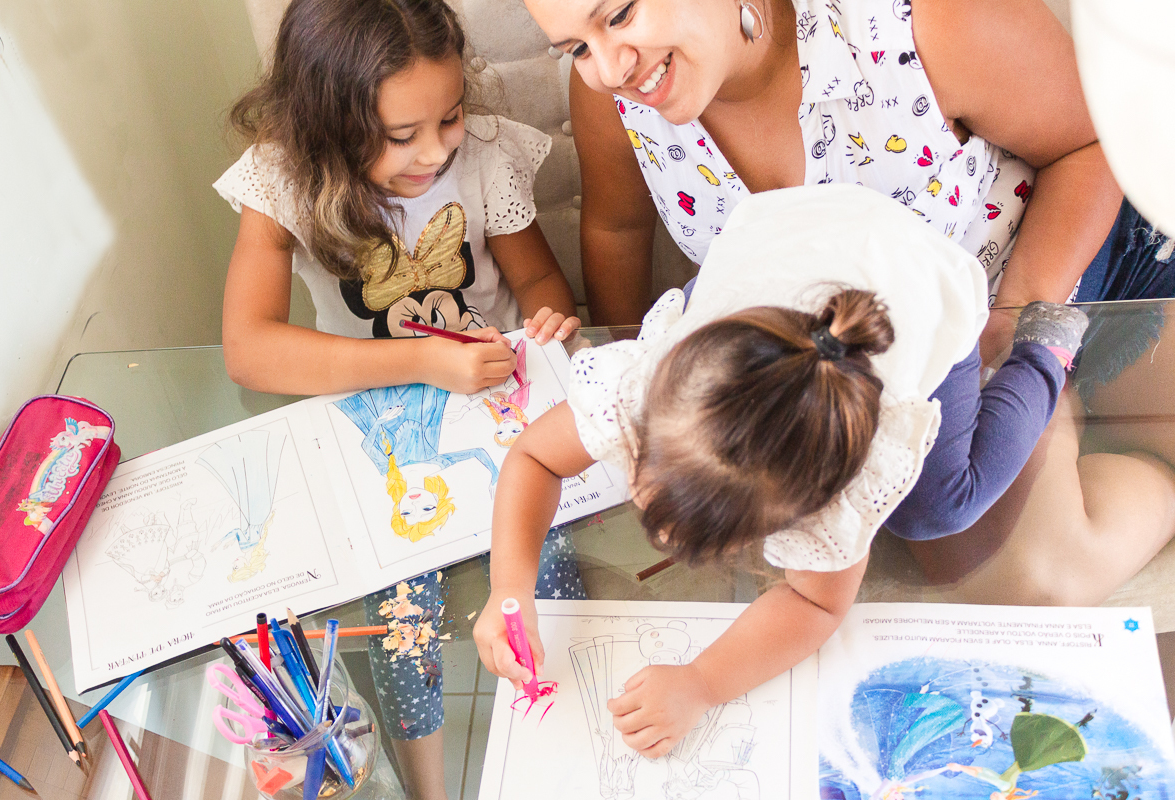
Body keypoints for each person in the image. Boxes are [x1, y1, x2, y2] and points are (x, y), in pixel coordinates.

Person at [523, 0, 1175, 599]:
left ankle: (1093, 410)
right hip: (863, 364)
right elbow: (616, 230)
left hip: (1059, 277)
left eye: (620, 14)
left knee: (1011, 560)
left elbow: (1094, 143)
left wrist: (1010, 325)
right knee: (992, 565)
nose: (608, 69)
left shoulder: (924, 21)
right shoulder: (617, 95)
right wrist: (658, 409)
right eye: (576, 48)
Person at [474, 185, 1114, 759]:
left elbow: (815, 604)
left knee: (939, 509)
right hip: (789, 234)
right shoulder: (641, 390)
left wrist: (702, 683)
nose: (659, 536)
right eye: (647, 477)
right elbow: (533, 456)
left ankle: (1044, 352)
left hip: (924, 280)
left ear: (801, 512)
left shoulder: (844, 479)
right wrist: (510, 589)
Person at [211, 0, 584, 796]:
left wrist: (551, 321)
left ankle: (561, 757)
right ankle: (428, 787)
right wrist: (420, 361)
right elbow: (248, 350)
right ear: (326, 129)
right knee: (402, 625)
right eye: (402, 134)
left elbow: (539, 281)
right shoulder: (281, 178)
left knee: (548, 575)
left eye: (448, 117)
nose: (437, 150)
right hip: (378, 423)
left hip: (502, 411)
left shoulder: (484, 156)